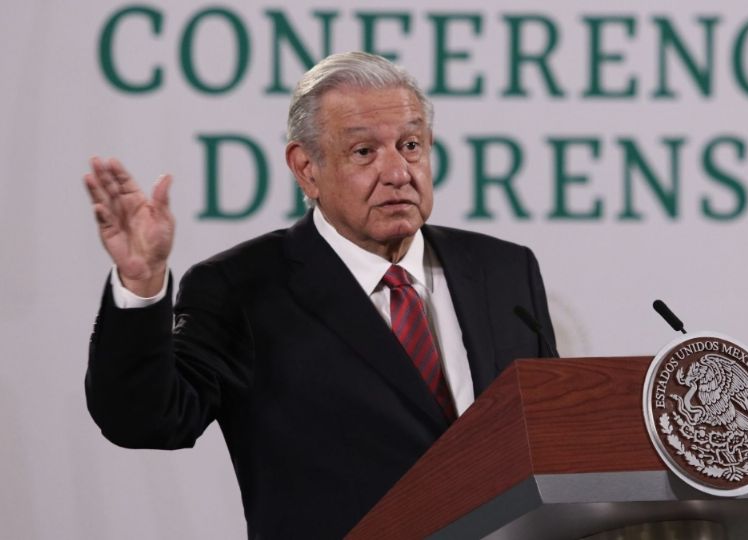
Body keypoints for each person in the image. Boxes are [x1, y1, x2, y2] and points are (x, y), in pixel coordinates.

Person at [83, 51, 556, 539]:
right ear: (306, 168)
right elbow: (146, 420)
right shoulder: (241, 288)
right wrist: (140, 285)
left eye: (410, 145)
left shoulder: (504, 269)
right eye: (364, 152)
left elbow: (548, 438)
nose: (398, 172)